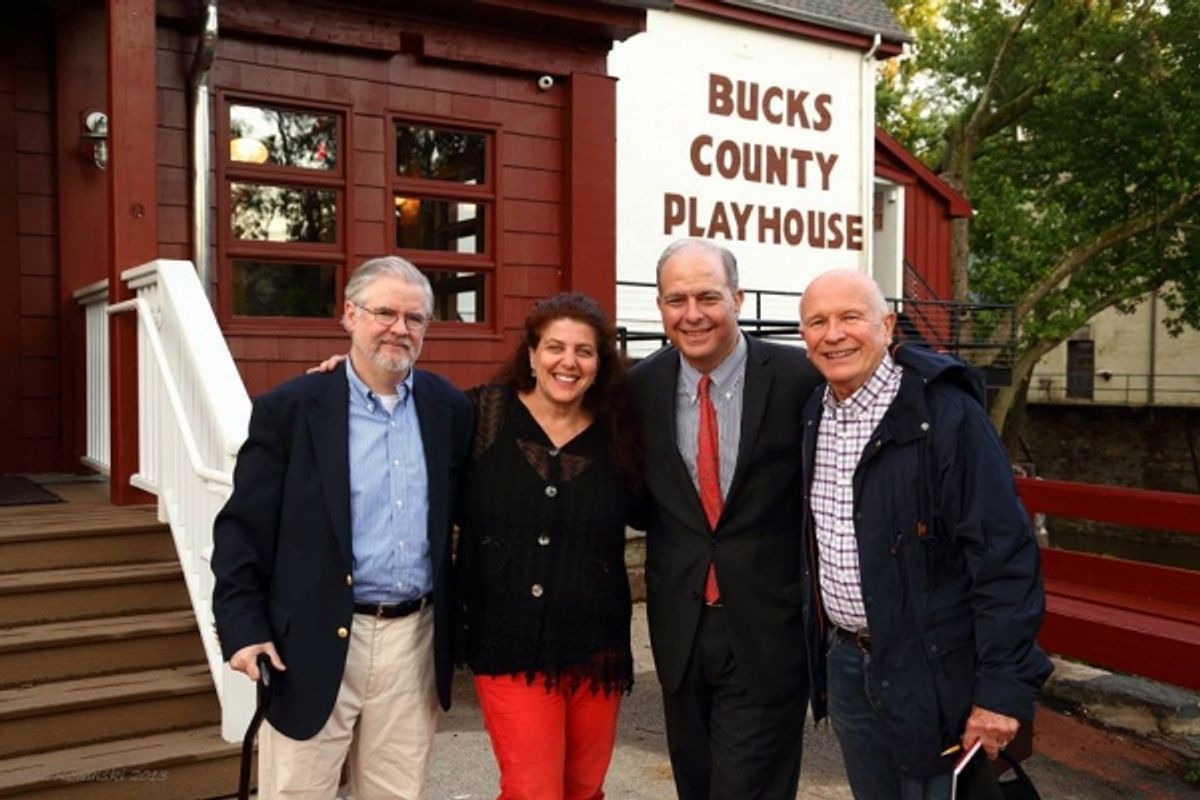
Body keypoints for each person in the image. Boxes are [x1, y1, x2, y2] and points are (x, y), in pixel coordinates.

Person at [211, 256, 474, 800]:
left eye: (415, 318)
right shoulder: (290, 410)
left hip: (414, 640)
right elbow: (242, 531)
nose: (399, 328)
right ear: (350, 315)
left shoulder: (448, 408)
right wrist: (242, 626)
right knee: (298, 792)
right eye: (384, 313)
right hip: (309, 640)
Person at [796, 268, 1052, 800]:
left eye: (850, 317)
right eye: (817, 322)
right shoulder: (815, 413)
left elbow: (1004, 556)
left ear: (888, 325)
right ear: (804, 336)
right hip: (848, 663)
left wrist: (1001, 691)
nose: (833, 334)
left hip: (935, 670)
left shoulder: (945, 414)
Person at [627, 239, 822, 800]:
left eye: (708, 297)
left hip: (767, 632)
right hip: (681, 632)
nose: (692, 314)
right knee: (697, 786)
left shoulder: (800, 378)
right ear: (660, 306)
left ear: (737, 298)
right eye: (676, 300)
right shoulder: (640, 389)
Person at [458, 291, 639, 800]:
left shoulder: (620, 430)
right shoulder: (481, 414)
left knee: (584, 788)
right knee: (533, 790)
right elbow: (406, 409)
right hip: (508, 641)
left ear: (600, 364)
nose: (568, 362)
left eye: (584, 351)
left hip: (594, 645)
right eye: (555, 347)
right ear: (533, 353)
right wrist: (343, 375)